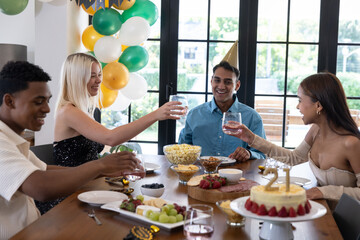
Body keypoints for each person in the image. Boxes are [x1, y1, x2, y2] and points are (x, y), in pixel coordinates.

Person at [0, 61, 140, 239]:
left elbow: (44, 169)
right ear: (9, 101)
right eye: (38, 101)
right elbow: (41, 187)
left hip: (33, 229)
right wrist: (100, 167)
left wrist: (103, 170)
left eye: (47, 101)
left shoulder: (12, 139)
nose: (47, 109)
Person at [226, 72, 360, 209]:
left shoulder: (351, 143)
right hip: (320, 210)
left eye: (300, 100)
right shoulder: (315, 131)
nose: (297, 107)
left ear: (318, 106)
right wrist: (251, 138)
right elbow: (293, 158)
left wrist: (323, 191)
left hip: (346, 224)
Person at [53, 52, 184, 167]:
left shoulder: (81, 110)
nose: (99, 80)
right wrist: (155, 115)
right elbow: (110, 138)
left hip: (88, 184)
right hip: (73, 190)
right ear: (76, 79)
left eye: (99, 74)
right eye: (93, 76)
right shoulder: (68, 112)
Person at [178, 61, 266, 161]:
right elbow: (182, 150)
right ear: (211, 81)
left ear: (237, 85)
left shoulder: (252, 117)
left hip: (238, 174)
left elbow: (262, 155)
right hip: (200, 174)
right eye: (217, 80)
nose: (221, 86)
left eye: (227, 82)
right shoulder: (194, 115)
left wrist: (249, 153)